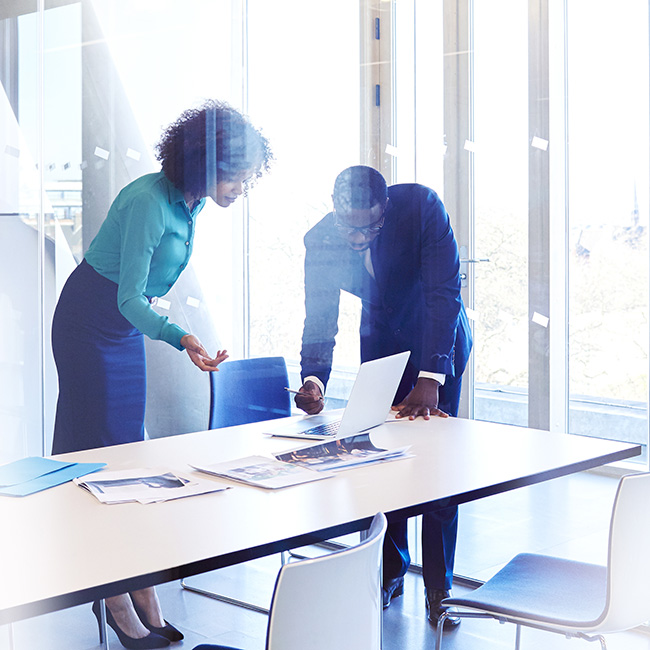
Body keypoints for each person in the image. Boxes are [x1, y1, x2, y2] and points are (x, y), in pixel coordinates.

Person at [51, 100, 272, 649]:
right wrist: (182, 338)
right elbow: (129, 296)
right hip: (88, 323)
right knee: (99, 464)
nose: (243, 185)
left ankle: (141, 586)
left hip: (122, 329)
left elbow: (141, 297)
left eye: (248, 175)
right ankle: (114, 597)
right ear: (205, 162)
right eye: (236, 173)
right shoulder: (149, 200)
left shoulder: (191, 202)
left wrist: (174, 331)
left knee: (131, 459)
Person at [294, 165, 472, 628]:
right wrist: (315, 379)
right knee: (380, 458)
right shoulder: (320, 239)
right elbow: (319, 317)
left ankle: (440, 589)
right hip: (381, 345)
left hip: (438, 338)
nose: (356, 238)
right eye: (346, 226)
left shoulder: (420, 208)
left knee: (435, 468)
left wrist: (431, 376)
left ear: (385, 208)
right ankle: (392, 570)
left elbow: (442, 293)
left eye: (368, 227)